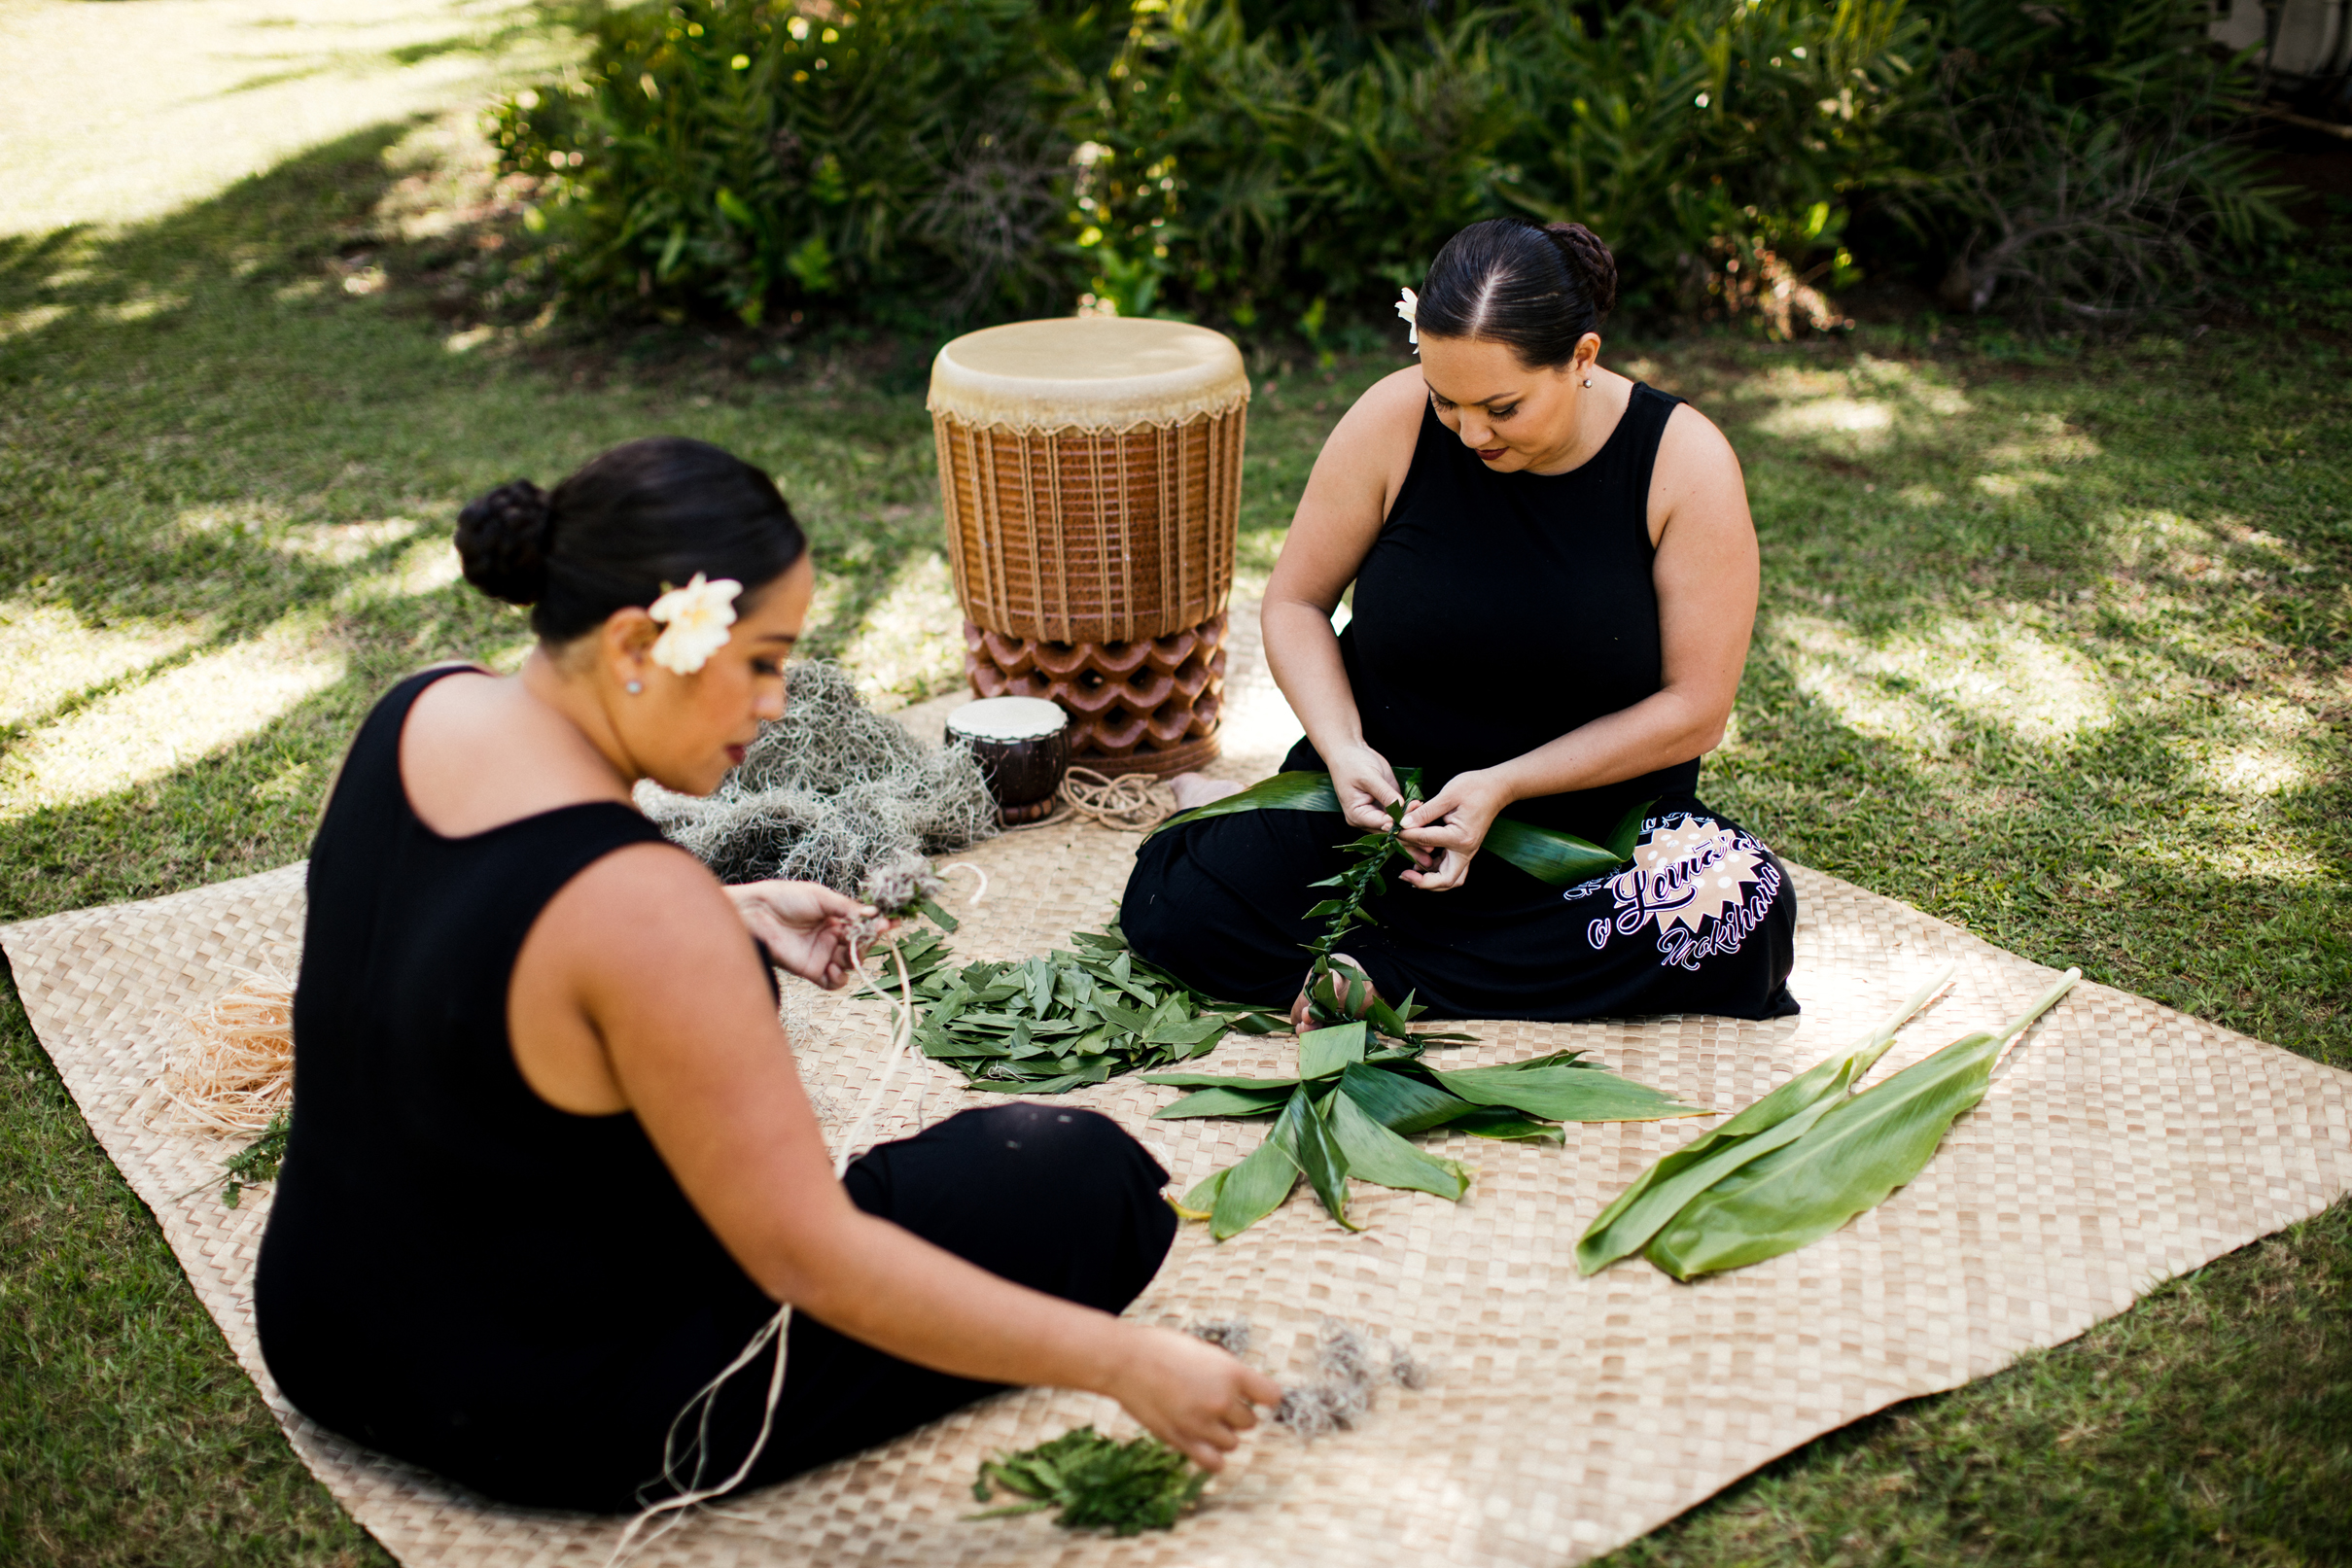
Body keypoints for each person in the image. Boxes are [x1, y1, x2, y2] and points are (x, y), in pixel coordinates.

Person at [255, 436, 1278, 1514]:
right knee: (1073, 1179)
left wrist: (722, 909)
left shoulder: (415, 707)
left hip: (321, 1332)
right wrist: (1127, 1363)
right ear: (635, 643)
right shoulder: (642, 907)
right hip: (550, 1407)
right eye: (759, 659)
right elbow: (809, 1258)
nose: (777, 700)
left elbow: (465, 946)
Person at [1124, 218, 1798, 1026]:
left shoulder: (1682, 463)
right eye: (1448, 400)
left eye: (1501, 406)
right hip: (1382, 817)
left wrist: (1506, 784)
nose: (1471, 432)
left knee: (1739, 904)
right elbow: (1296, 602)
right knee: (1175, 896)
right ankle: (1439, 968)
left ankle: (1390, 975)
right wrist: (1341, 750)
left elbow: (1695, 709)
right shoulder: (1393, 420)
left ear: (1581, 358)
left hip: (1580, 841)